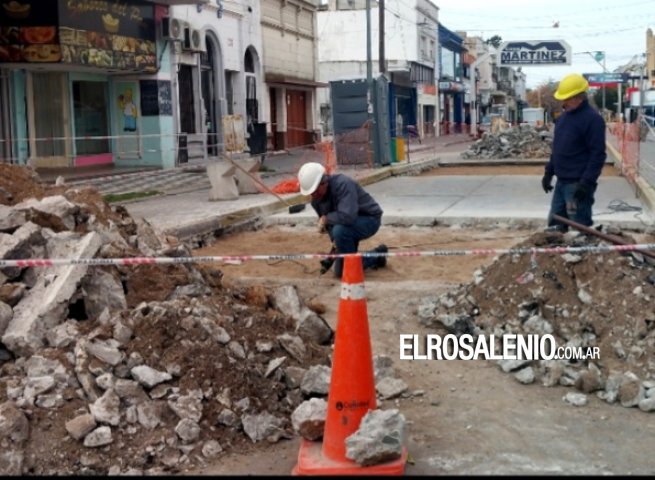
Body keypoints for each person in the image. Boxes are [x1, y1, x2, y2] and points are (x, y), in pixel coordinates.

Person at [298, 162, 387, 278]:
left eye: (315, 191)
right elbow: (331, 228)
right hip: (348, 227)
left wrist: (327, 219)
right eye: (311, 193)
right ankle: (377, 255)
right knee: (341, 272)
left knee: (340, 231)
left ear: (324, 182)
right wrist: (335, 248)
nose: (314, 195)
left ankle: (354, 264)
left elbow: (348, 216)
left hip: (369, 219)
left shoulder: (343, 184)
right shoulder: (316, 201)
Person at [541, 73, 606, 231]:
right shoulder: (563, 119)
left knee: (579, 228)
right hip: (561, 183)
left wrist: (586, 183)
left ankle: (582, 253)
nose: (564, 102)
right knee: (555, 227)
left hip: (577, 185)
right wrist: (549, 172)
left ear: (579, 97)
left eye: (567, 98)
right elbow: (557, 149)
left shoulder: (593, 120)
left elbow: (598, 155)